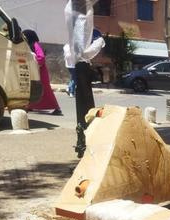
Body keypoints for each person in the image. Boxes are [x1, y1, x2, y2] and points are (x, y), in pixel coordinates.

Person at [64, 0, 105, 157]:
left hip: (78, 66)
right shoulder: (81, 16)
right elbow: (86, 50)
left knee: (84, 106)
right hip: (81, 67)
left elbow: (71, 50)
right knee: (86, 107)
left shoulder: (71, 11)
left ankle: (83, 142)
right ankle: (85, 143)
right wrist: (92, 48)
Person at [23, 29, 62, 115]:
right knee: (32, 89)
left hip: (40, 71)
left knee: (45, 90)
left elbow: (41, 57)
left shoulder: (35, 45)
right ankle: (30, 106)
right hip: (34, 71)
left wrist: (34, 63)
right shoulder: (28, 45)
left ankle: (56, 108)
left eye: (25, 36)